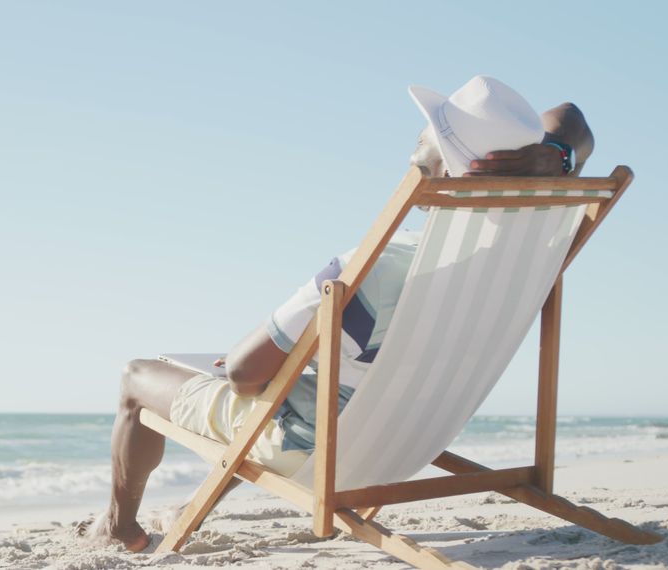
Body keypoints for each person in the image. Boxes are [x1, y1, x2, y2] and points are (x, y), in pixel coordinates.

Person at [79, 76, 596, 552]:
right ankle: (193, 506)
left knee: (141, 375)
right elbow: (572, 118)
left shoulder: (373, 266)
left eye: (423, 142)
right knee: (298, 379)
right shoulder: (534, 250)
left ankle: (118, 524)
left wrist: (255, 360)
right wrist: (551, 153)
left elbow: (242, 378)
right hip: (411, 444)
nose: (411, 150)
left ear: (443, 169)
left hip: (323, 455)